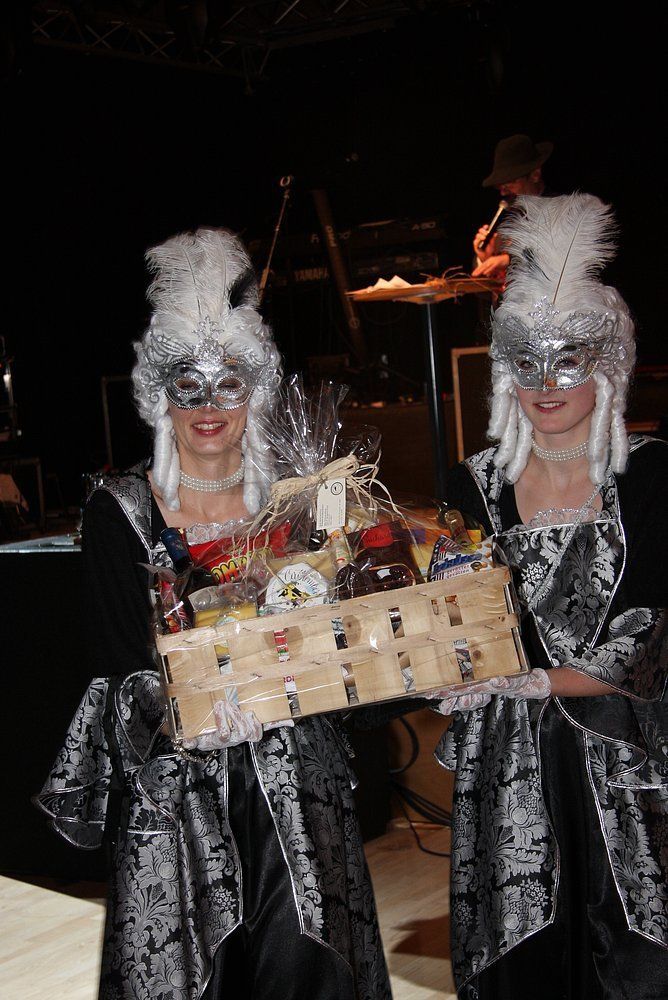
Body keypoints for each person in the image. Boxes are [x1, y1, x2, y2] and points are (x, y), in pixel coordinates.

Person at [35, 227, 392, 1000]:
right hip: (180, 813)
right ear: (157, 393)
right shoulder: (122, 512)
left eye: (228, 383)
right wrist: (189, 710)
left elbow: (356, 652)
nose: (207, 406)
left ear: (255, 391)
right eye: (186, 384)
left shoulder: (304, 500)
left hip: (301, 804)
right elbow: (117, 668)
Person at [433, 194, 668, 999]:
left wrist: (543, 680)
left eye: (569, 359)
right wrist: (444, 668)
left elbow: (651, 628)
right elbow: (453, 611)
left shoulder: (651, 473)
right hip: (507, 764)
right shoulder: (473, 485)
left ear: (608, 364)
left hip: (628, 764)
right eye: (526, 362)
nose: (546, 382)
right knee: (519, 958)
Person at [472, 133, 553, 281]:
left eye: (509, 183)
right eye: (499, 186)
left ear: (535, 175)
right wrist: (485, 257)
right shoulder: (506, 216)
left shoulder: (564, 210)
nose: (503, 192)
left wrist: (509, 260)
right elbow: (486, 281)